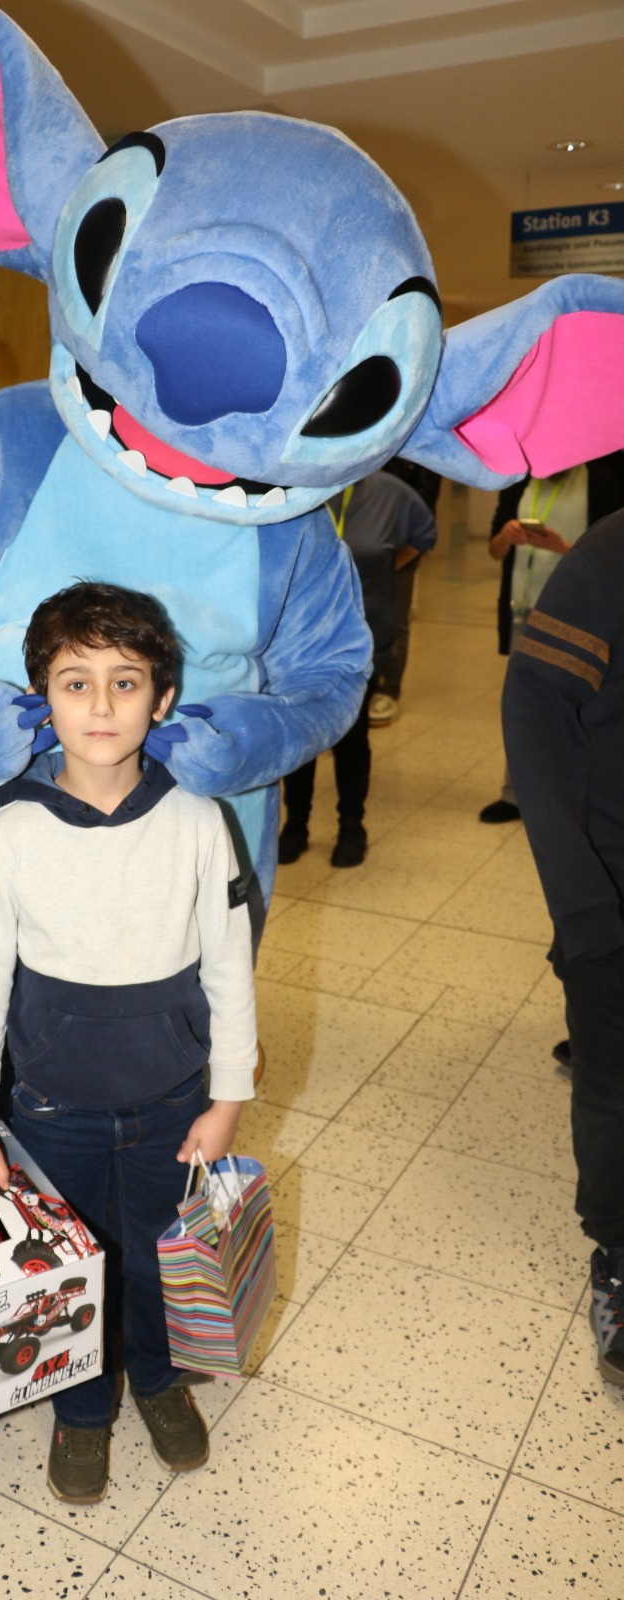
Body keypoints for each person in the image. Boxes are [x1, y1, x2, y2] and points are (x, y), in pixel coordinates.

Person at [0, 581, 258, 1505]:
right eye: (75, 683)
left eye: (125, 682)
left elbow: (230, 969)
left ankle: (158, 1380)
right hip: (53, 1108)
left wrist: (229, 1098)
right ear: (41, 697)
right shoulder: (9, 834)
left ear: (162, 699)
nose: (100, 705)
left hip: (172, 1100)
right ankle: (81, 1408)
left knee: (160, 1255)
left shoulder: (198, 822)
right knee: (68, 1270)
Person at [501, 507, 624, 1387]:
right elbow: (534, 709)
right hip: (612, 896)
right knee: (615, 1087)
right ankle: (618, 1252)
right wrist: (583, 908)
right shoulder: (611, 557)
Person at [278, 471, 437, 867]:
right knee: (302, 733)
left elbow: (423, 535)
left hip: (362, 637)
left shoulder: (390, 494)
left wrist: (384, 569)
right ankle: (296, 824)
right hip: (302, 638)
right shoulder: (299, 490)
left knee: (352, 735)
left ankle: (352, 826)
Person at [479, 454, 624, 823]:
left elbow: (610, 557)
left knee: (578, 708)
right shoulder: (517, 483)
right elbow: (494, 551)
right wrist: (505, 537)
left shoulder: (601, 483)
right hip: (523, 612)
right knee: (524, 705)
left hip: (579, 617)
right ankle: (514, 795)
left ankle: (575, 797)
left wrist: (562, 547)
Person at [368, 458, 441, 725]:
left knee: (397, 619)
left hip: (402, 544)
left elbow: (424, 514)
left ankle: (388, 689)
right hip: (367, 542)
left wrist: (396, 560)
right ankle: (364, 686)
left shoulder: (422, 458)